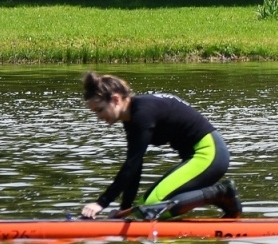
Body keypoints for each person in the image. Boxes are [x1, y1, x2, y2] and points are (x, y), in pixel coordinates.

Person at [79, 72, 241, 220]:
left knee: (152, 207)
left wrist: (101, 203)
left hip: (210, 154)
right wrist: (124, 209)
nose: (99, 117)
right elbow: (135, 167)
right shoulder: (133, 117)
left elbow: (131, 165)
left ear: (115, 100)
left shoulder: (142, 113)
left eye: (100, 110)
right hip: (201, 156)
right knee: (143, 209)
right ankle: (221, 198)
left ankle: (221, 193)